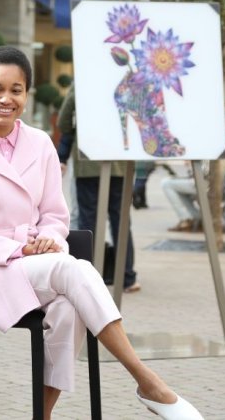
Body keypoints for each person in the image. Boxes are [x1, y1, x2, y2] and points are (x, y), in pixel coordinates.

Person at [0, 46, 203, 420]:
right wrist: (21, 249)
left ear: (27, 93)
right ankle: (147, 381)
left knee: (68, 308)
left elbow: (55, 215)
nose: (5, 99)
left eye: (16, 89)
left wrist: (50, 238)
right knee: (70, 270)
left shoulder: (41, 143)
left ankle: (41, 416)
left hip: (36, 264)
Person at [56, 84, 141, 293]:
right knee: (121, 222)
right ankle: (127, 277)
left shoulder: (83, 80)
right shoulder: (129, 82)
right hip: (121, 163)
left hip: (89, 162)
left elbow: (64, 120)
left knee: (88, 222)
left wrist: (64, 154)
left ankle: (88, 277)